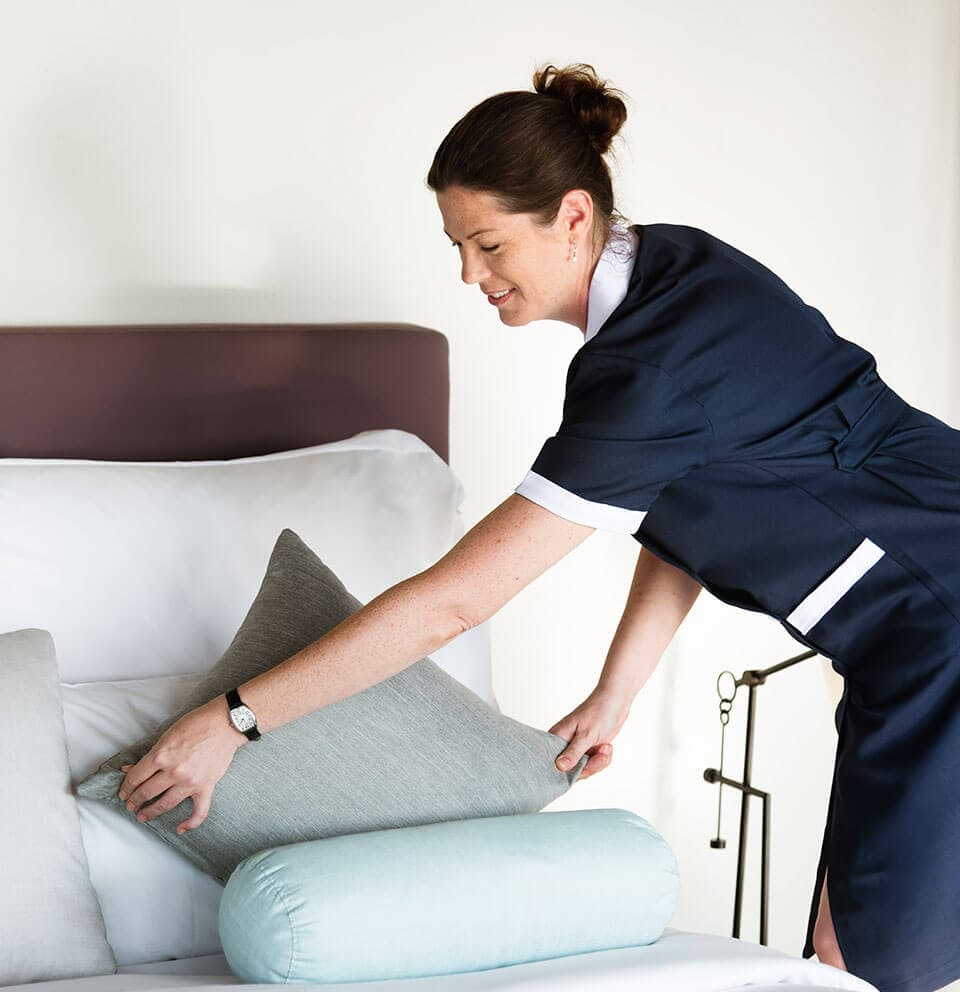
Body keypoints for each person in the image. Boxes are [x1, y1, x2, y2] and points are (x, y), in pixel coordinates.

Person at [115, 63, 959, 992]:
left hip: (941, 630)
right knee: (850, 958)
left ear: (570, 217)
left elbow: (451, 605)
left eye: (487, 246)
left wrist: (234, 721)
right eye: (457, 247)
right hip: (916, 637)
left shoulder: (646, 376)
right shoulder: (679, 271)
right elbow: (681, 500)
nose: (470, 275)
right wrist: (617, 692)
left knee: (860, 966)